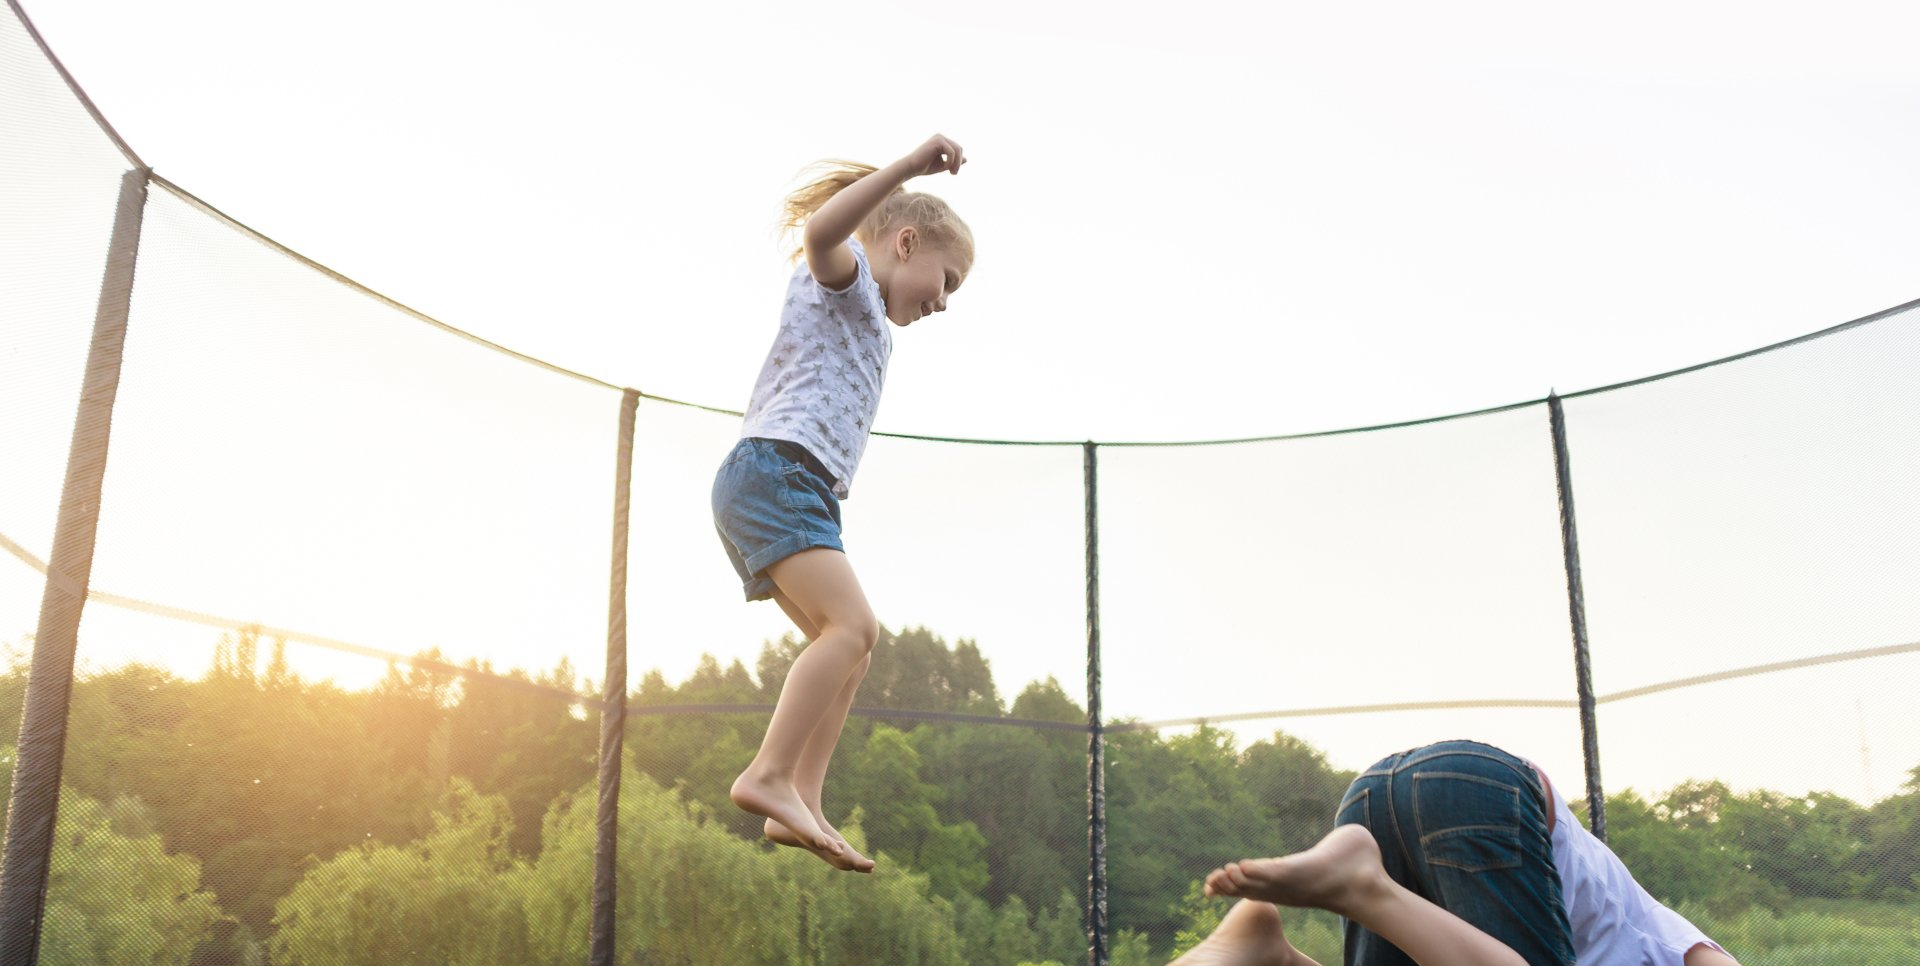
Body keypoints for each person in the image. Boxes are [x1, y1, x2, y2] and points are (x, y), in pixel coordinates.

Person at [712, 134, 973, 873]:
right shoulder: (846, 277)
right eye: (946, 280)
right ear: (906, 242)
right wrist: (910, 166)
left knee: (852, 648)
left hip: (796, 487)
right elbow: (821, 232)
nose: (943, 301)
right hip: (775, 472)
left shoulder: (871, 320)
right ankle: (768, 775)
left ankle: (799, 798)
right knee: (853, 627)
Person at [1183, 739, 1740, 966]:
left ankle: (1269, 948)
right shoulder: (1680, 949)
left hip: (1377, 797)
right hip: (1481, 794)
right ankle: (1361, 887)